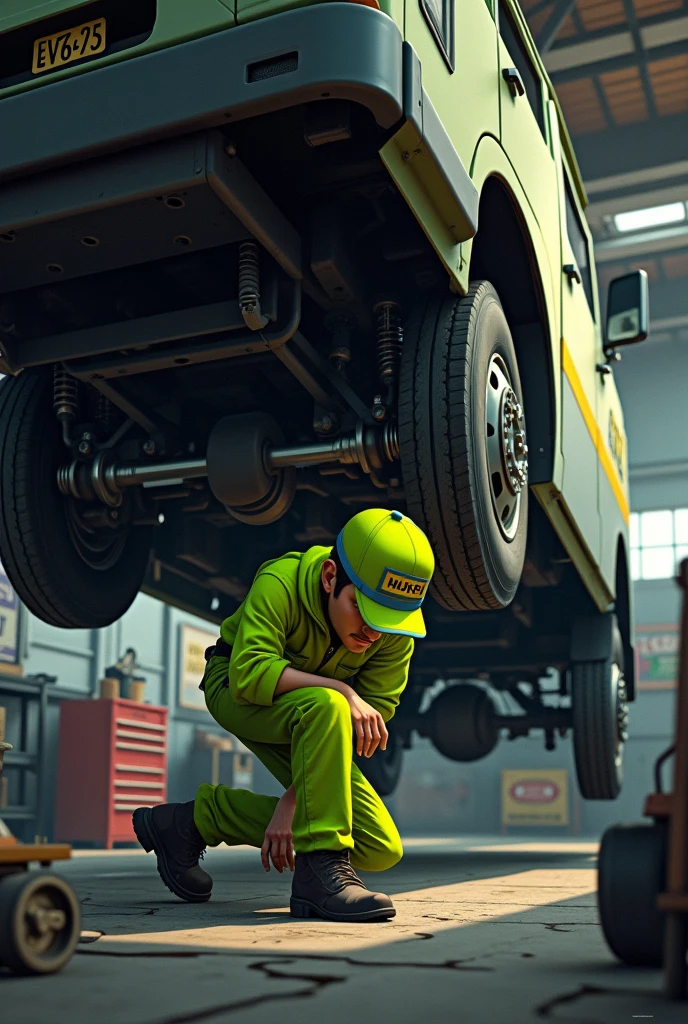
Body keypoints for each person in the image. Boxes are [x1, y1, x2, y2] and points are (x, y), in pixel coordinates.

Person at [133, 508, 434, 922]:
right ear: (330, 577)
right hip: (236, 692)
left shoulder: (391, 634)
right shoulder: (281, 582)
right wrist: (342, 688)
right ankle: (319, 875)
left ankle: (191, 822)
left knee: (379, 846)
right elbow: (249, 672)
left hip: (316, 720)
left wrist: (294, 801)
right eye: (363, 609)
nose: (373, 633)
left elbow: (368, 720)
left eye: (390, 619)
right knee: (328, 705)